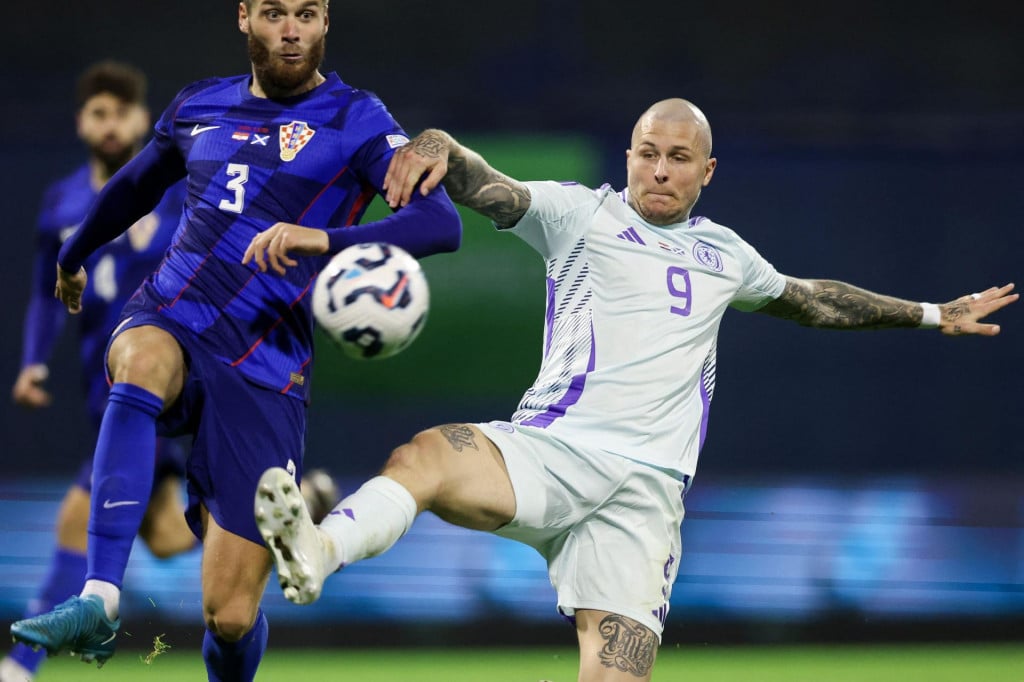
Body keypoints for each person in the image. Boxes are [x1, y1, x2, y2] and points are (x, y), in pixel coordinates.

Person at [252, 98, 1017, 682]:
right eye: (647, 153)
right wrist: (441, 148)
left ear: (706, 171)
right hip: (556, 450)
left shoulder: (727, 254)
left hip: (646, 495)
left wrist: (930, 314)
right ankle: (319, 551)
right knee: (425, 455)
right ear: (629, 156)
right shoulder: (579, 214)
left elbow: (811, 297)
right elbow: (492, 188)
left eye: (678, 157)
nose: (659, 169)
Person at [10, 1, 461, 680]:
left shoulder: (357, 119)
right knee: (137, 360)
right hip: (176, 312)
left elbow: (440, 221)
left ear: (326, 22)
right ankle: (99, 596)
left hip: (264, 361)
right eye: (275, 13)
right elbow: (135, 185)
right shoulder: (199, 105)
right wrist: (73, 254)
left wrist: (326, 240)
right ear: (244, 17)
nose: (291, 30)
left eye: (307, 14)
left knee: (229, 616)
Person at [1, 60, 196, 682]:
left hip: (157, 386)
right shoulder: (62, 201)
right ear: (83, 122)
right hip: (100, 391)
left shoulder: (180, 192)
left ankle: (21, 665)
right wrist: (33, 361)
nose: (112, 125)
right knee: (166, 536)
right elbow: (42, 292)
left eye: (123, 113)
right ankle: (289, 508)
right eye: (99, 113)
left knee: (72, 518)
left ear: (144, 119)